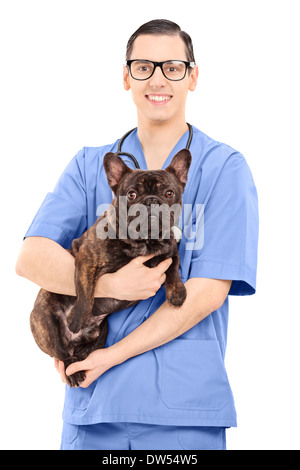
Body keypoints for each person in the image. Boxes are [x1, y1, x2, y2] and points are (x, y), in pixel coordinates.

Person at [16, 19, 259, 451]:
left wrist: (112, 356)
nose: (158, 79)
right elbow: (31, 258)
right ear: (126, 77)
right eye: (144, 67)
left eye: (173, 67)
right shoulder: (90, 164)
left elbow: (207, 292)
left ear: (193, 76)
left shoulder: (224, 168)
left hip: (182, 412)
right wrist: (108, 285)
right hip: (92, 408)